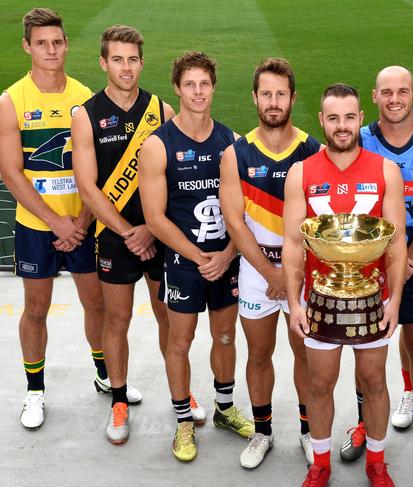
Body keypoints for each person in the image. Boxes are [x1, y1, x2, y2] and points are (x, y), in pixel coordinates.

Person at [283, 83, 407, 487]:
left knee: (373, 381)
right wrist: (295, 304)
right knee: (320, 384)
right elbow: (291, 244)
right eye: (333, 118)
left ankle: (376, 459)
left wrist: (394, 304)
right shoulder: (301, 172)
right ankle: (320, 463)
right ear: (321, 120)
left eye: (349, 117)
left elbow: (397, 243)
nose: (341, 126)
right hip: (319, 298)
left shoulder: (385, 169)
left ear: (360, 119)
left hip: (373, 297)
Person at [139, 52, 254, 461]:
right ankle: (184, 421)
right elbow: (154, 217)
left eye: (204, 83)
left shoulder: (233, 142)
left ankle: (224, 409)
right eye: (190, 84)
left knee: (225, 336)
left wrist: (225, 254)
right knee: (180, 341)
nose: (198, 91)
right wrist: (200, 257)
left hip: (226, 259)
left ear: (214, 87)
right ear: (177, 88)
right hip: (183, 264)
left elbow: (245, 212)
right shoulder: (157, 145)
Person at [337, 66, 413, 466]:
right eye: (386, 92)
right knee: (365, 355)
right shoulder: (360, 141)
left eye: (402, 91)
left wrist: (409, 259)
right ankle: (361, 423)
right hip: (370, 268)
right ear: (375, 96)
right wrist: (386, 261)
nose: (394, 99)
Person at [71, 25, 179, 444]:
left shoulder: (161, 110)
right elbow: (88, 188)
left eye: (133, 58)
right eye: (117, 59)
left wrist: (151, 229)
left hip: (158, 235)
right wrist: (128, 231)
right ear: (103, 63)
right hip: (117, 239)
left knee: (168, 317)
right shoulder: (87, 115)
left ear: (141, 61)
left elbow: (172, 177)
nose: (126, 67)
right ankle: (118, 399)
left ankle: (180, 395)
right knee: (116, 321)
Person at [0, 8, 105, 429]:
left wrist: (79, 220)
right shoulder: (11, 102)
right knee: (37, 309)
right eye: (41, 43)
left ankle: (104, 374)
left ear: (66, 44)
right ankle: (35, 391)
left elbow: (96, 172)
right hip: (35, 226)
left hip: (83, 224)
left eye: (57, 42)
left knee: (95, 304)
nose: (50, 50)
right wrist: (57, 223)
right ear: (27, 45)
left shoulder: (85, 99)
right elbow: (11, 172)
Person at [220, 58, 321, 468]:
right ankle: (262, 432)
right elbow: (234, 222)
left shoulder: (313, 150)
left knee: (305, 355)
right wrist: (271, 273)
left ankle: (307, 430)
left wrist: (289, 275)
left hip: (302, 272)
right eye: (267, 93)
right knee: (258, 354)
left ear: (293, 97)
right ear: (255, 97)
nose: (274, 102)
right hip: (257, 271)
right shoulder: (236, 154)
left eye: (281, 94)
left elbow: (321, 221)